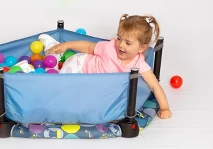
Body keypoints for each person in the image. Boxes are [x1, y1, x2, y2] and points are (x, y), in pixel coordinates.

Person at [38, 14, 172, 119]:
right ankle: (54, 53)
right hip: (80, 66)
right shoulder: (109, 48)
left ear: (141, 48)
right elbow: (88, 47)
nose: (120, 45)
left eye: (128, 43)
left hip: (92, 83)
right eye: (119, 38)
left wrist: (164, 108)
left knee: (82, 97)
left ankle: (56, 63)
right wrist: (67, 45)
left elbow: (154, 85)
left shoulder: (139, 64)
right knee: (62, 86)